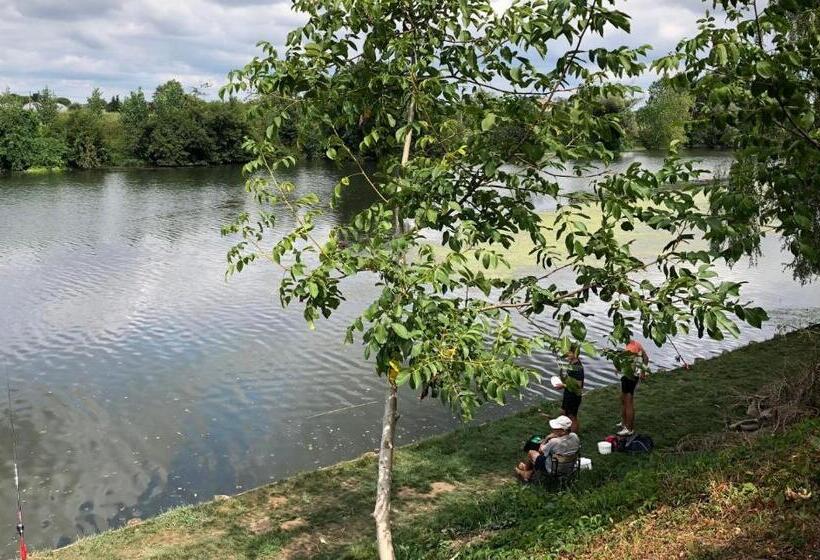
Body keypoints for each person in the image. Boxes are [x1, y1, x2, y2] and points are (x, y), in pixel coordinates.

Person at [515, 415, 580, 482]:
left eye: (555, 429)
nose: (553, 430)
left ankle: (526, 473)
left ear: (563, 431)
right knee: (547, 455)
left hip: (554, 468)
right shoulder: (575, 436)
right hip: (570, 466)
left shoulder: (555, 441)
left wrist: (547, 438)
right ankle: (528, 471)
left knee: (531, 452)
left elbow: (541, 451)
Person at [618, 339, 649, 436]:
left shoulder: (631, 348)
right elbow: (646, 357)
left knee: (628, 402)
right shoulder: (635, 343)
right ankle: (624, 423)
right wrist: (643, 372)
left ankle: (629, 428)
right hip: (630, 375)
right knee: (623, 400)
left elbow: (630, 365)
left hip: (630, 376)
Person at [556, 347, 584, 433]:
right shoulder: (571, 363)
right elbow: (569, 379)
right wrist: (561, 375)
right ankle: (564, 432)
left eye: (570, 353)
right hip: (568, 392)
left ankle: (574, 435)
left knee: (572, 416)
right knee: (564, 412)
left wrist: (563, 385)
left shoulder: (578, 367)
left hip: (574, 395)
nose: (567, 354)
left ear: (575, 354)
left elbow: (579, 385)